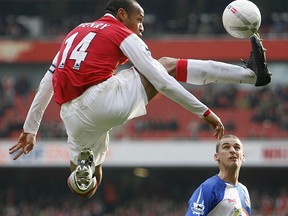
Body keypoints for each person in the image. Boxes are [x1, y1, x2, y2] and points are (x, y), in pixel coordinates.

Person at [9, 0, 270, 199]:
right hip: (101, 100)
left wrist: (30, 129)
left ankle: (82, 175)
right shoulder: (121, 33)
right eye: (139, 19)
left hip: (71, 114)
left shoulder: (75, 32)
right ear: (122, 14)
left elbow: (47, 81)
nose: (142, 26)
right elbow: (161, 80)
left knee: (88, 189)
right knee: (166, 65)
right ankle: (250, 76)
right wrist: (204, 112)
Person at [185, 134, 251, 216]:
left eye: (237, 148)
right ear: (217, 156)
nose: (233, 150)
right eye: (226, 147)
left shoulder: (244, 191)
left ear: (243, 157)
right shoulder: (208, 188)